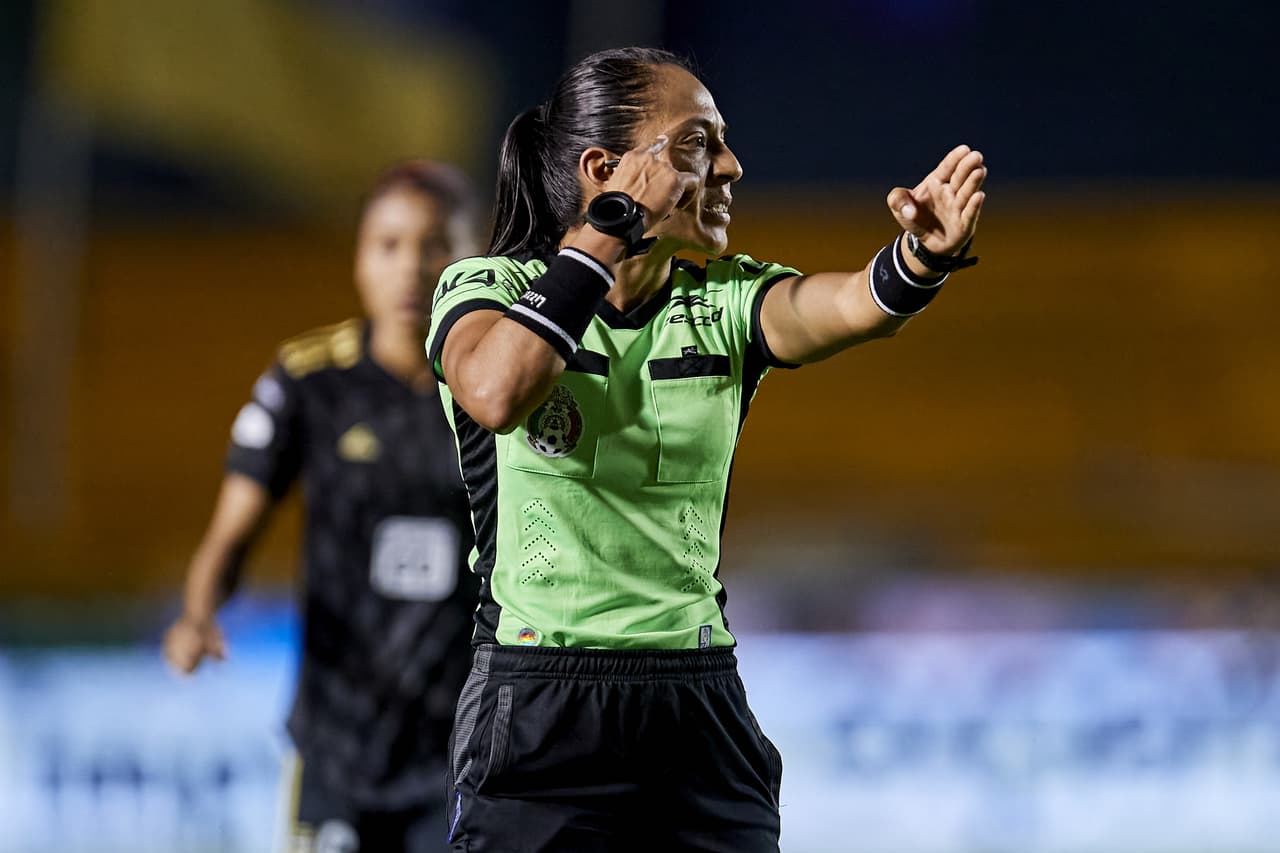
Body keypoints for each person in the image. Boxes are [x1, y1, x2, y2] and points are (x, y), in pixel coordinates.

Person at [428, 47, 986, 853]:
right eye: (697, 144)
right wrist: (603, 236)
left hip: (696, 706)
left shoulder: (723, 302)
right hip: (540, 701)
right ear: (603, 169)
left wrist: (921, 257)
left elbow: (850, 305)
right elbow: (495, 391)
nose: (730, 166)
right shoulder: (490, 289)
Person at [162, 160, 483, 853]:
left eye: (434, 243)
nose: (411, 267)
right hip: (338, 743)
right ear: (360, 258)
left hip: (468, 745)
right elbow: (232, 534)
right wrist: (198, 610)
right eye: (388, 244)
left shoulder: (502, 388)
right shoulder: (308, 381)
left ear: (470, 257)